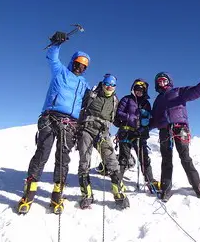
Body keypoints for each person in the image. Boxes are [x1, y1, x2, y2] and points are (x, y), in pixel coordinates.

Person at [18, 31, 90, 214]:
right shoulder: (60, 71)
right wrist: (56, 43)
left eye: (84, 67)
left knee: (63, 158)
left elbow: (94, 101)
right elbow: (52, 56)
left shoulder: (84, 84)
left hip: (69, 124)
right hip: (50, 118)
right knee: (42, 153)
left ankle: (57, 194)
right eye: (78, 64)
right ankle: (29, 193)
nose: (80, 68)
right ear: (73, 62)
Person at [150, 72, 200, 201]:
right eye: (159, 81)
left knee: (185, 157)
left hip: (180, 128)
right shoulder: (157, 101)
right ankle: (165, 189)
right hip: (164, 130)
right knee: (166, 160)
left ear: (169, 81)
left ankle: (196, 186)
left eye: (164, 80)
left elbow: (193, 92)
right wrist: (145, 127)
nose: (161, 83)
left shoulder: (177, 91)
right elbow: (155, 120)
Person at [76, 74, 130, 209]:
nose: (109, 87)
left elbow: (116, 119)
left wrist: (128, 125)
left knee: (111, 161)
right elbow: (78, 107)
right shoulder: (92, 94)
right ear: (102, 83)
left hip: (103, 132)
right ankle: (86, 194)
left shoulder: (115, 101)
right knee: (84, 161)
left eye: (112, 85)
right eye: (107, 84)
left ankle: (119, 193)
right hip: (86, 129)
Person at [114, 79, 159, 192]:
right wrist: (131, 117)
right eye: (137, 89)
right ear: (133, 89)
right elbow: (119, 113)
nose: (139, 92)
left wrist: (145, 126)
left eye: (141, 90)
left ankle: (150, 181)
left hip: (140, 134)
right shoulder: (126, 99)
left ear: (145, 91)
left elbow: (149, 118)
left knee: (144, 158)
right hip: (126, 132)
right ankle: (118, 181)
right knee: (124, 158)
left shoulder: (146, 104)